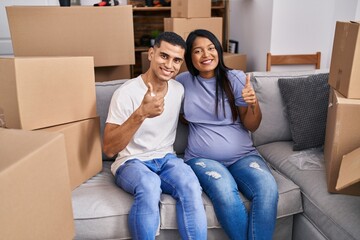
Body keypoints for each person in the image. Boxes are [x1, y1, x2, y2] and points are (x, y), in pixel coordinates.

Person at [103, 32, 207, 240]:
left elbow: (191, 115)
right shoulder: (126, 93)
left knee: (191, 185)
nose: (169, 64)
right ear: (151, 54)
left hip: (166, 158)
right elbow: (109, 149)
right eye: (164, 56)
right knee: (150, 185)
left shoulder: (179, 90)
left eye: (177, 60)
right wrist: (141, 113)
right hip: (130, 161)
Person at [176, 29, 279, 240]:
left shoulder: (236, 78)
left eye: (211, 48)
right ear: (190, 57)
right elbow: (176, 113)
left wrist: (254, 103)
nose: (206, 55)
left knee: (268, 189)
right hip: (202, 159)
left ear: (218, 51)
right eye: (198, 51)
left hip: (243, 156)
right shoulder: (182, 82)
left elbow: (252, 125)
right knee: (224, 192)